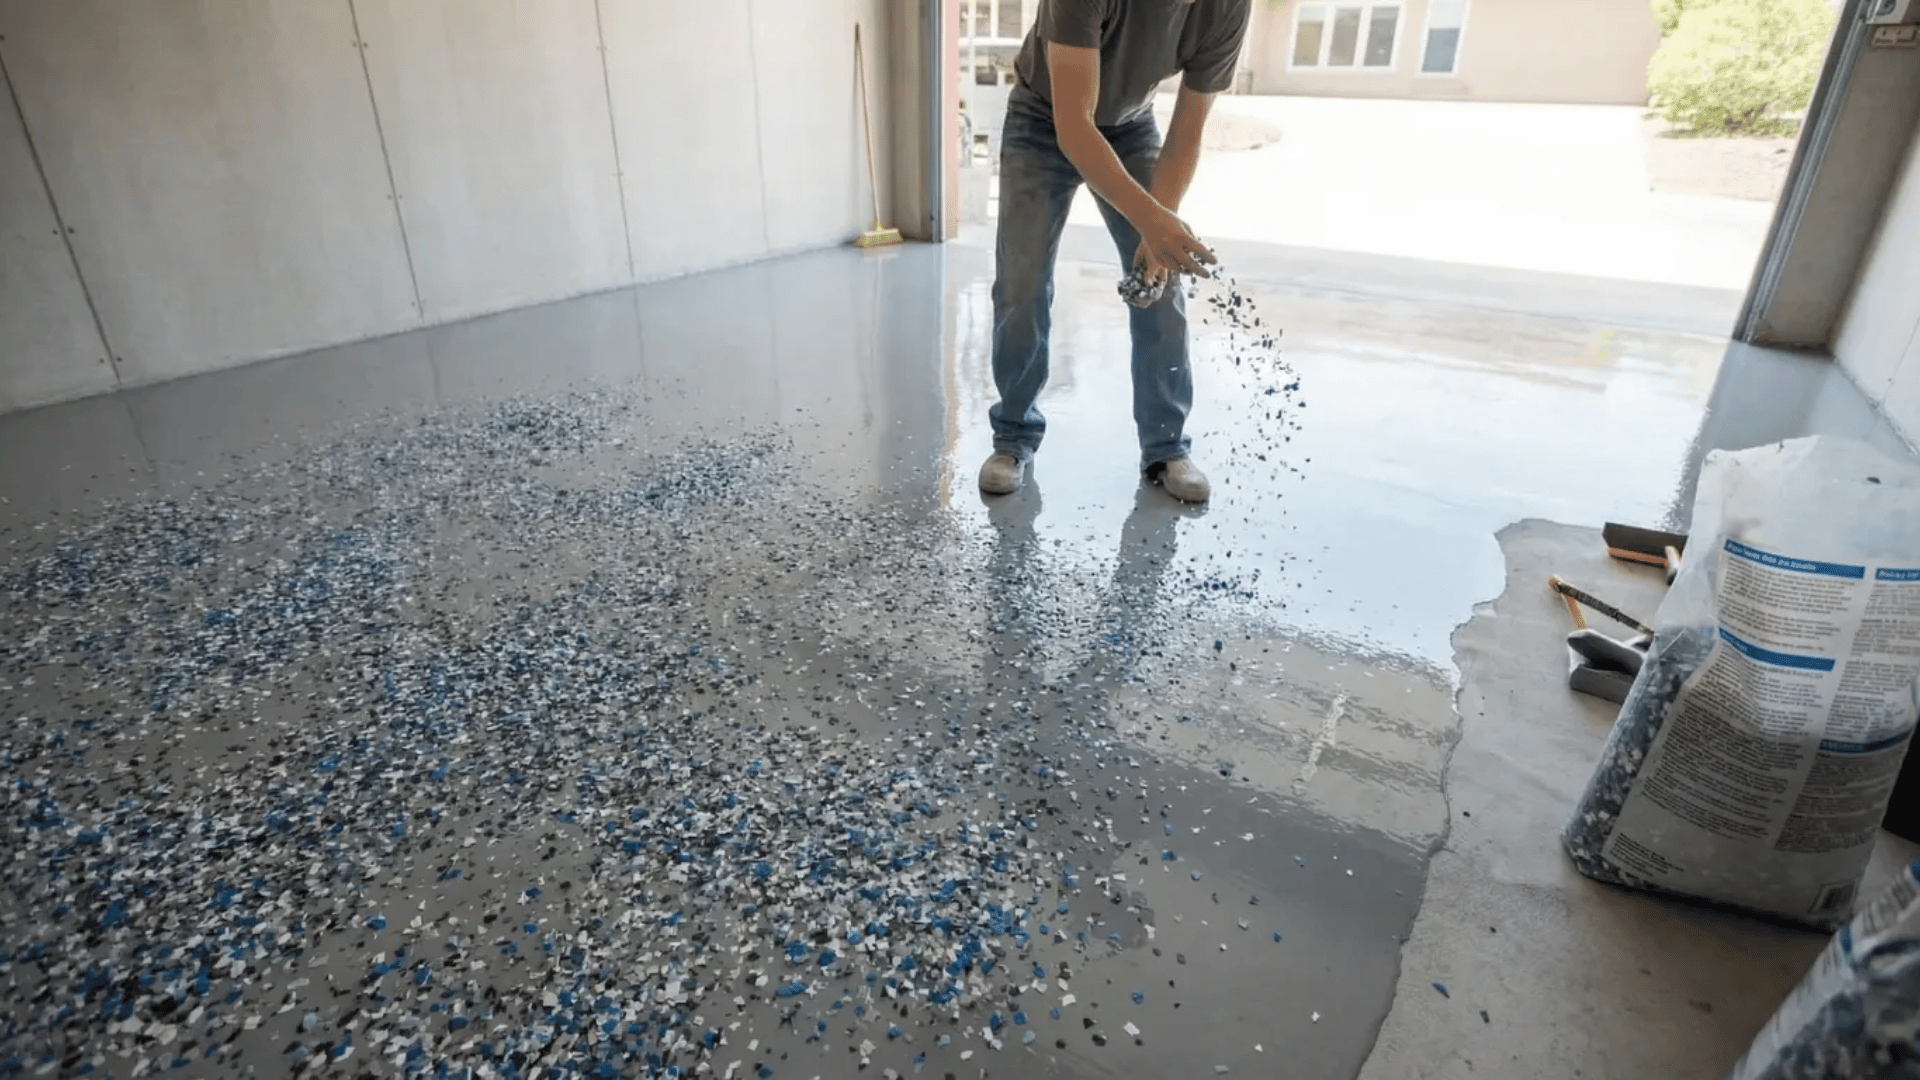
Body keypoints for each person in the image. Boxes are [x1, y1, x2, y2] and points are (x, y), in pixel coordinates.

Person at [978, 0, 1251, 504]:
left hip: (1130, 124)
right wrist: (1150, 219)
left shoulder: (1227, 7)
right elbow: (1074, 127)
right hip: (1044, 118)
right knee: (1022, 280)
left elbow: (1187, 131)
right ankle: (1013, 437)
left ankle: (1166, 448)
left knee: (1162, 284)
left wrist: (1157, 232)